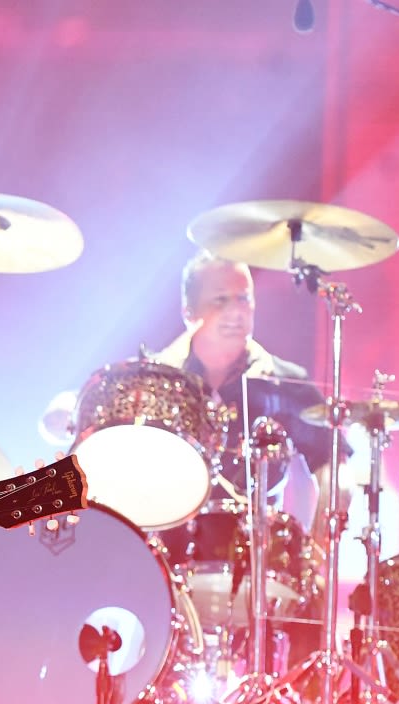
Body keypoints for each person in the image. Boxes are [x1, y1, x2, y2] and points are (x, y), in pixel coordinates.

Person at [149, 250, 353, 670]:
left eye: (244, 300)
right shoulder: (157, 379)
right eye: (220, 300)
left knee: (307, 603)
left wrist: (317, 543)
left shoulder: (285, 381)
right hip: (167, 552)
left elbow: (335, 471)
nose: (236, 312)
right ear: (189, 311)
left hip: (259, 555)